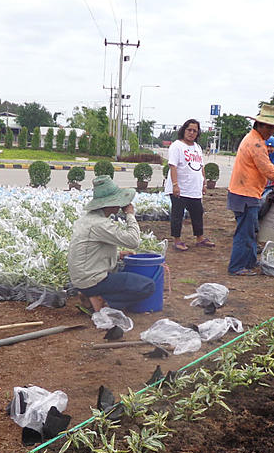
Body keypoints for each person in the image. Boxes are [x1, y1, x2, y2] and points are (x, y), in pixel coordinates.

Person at [226, 103, 274, 276]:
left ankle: (250, 262)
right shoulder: (257, 144)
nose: (272, 131)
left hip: (244, 192)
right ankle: (236, 267)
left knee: (250, 231)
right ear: (260, 125)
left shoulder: (252, 138)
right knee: (244, 232)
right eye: (270, 127)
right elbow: (268, 171)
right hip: (245, 194)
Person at [67, 176, 155, 312]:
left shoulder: (88, 219)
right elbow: (133, 241)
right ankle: (103, 301)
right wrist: (130, 215)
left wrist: (118, 254)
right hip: (92, 280)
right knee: (148, 286)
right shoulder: (100, 224)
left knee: (123, 275)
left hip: (81, 278)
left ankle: (89, 294)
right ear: (110, 204)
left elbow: (91, 251)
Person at [165, 119, 215, 252]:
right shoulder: (177, 146)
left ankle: (200, 238)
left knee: (197, 212)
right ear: (184, 130)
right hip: (180, 189)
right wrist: (175, 185)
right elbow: (173, 166)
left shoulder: (197, 147)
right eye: (189, 130)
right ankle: (177, 240)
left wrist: (204, 183)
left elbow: (201, 166)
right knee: (177, 214)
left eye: (195, 131)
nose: (192, 133)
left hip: (194, 188)